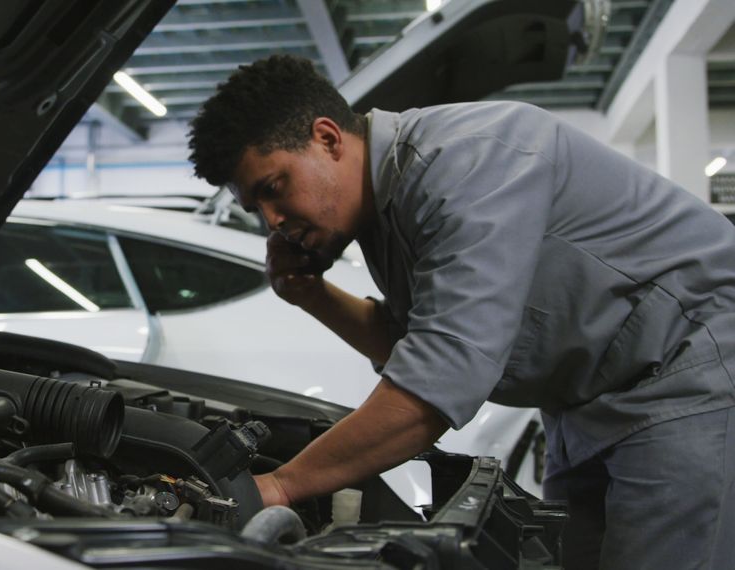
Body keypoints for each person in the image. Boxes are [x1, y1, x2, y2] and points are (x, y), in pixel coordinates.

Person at [186, 54, 735, 569]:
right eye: (257, 207)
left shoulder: (464, 161)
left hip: (686, 371)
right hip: (586, 404)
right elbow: (411, 346)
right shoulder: (382, 210)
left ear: (327, 138)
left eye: (275, 189)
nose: (273, 220)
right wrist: (312, 295)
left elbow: (440, 380)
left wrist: (281, 486)